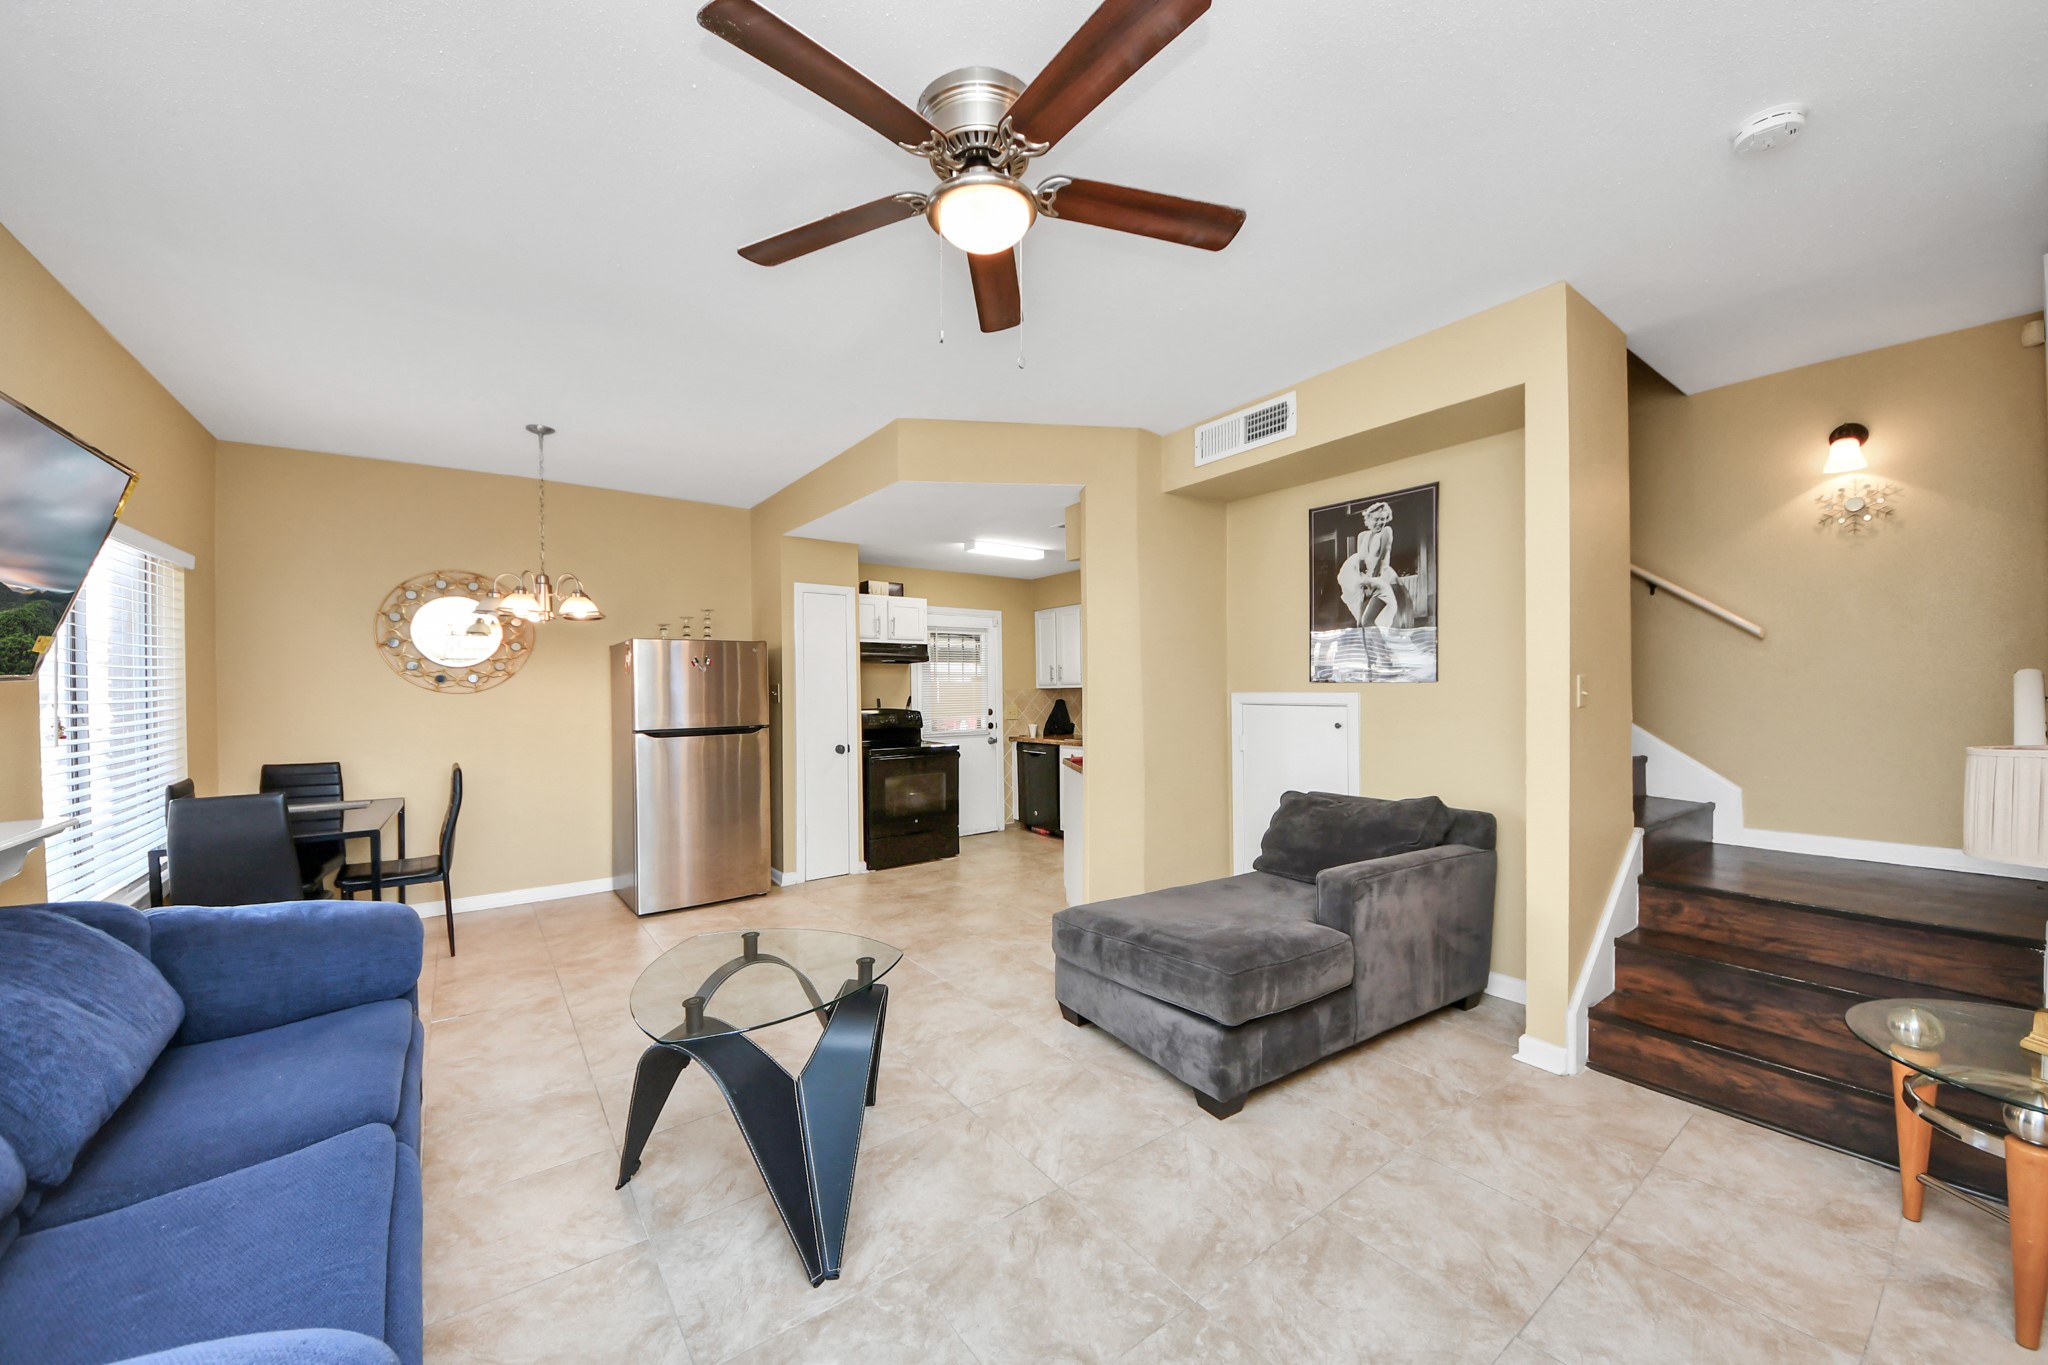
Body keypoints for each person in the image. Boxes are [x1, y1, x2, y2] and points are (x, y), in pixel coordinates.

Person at [1336, 501, 1408, 632]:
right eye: (1376, 519)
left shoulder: (1386, 531)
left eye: (1383, 519)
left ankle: (1383, 651)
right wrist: (1362, 583)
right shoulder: (1362, 536)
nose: (1380, 522)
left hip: (1382, 580)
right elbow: (1361, 562)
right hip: (1366, 581)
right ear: (1368, 519)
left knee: (1367, 621)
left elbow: (1380, 560)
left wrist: (1370, 584)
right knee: (1360, 624)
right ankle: (1370, 652)